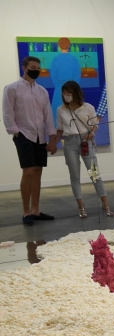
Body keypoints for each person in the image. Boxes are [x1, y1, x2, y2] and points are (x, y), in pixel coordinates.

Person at [4, 56, 57, 225]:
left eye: (38, 67)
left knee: (38, 172)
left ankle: (35, 210)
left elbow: (48, 114)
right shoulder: (12, 88)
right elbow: (7, 112)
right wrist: (15, 132)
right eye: (33, 67)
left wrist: (52, 137)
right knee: (27, 171)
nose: (36, 70)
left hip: (40, 135)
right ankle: (26, 211)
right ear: (24, 68)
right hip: (23, 134)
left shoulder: (42, 90)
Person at [54, 80, 112, 218]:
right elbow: (60, 129)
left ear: (76, 93)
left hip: (86, 141)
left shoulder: (88, 107)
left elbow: (95, 124)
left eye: (69, 92)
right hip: (69, 143)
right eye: (64, 93)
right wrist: (53, 143)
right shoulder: (61, 109)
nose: (66, 95)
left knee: (94, 174)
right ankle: (81, 206)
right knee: (74, 176)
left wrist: (91, 134)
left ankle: (105, 204)